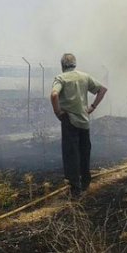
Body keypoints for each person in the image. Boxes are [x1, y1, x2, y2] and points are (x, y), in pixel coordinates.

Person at [51, 53, 107, 196]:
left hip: (69, 121)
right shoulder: (84, 77)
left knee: (71, 154)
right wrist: (92, 107)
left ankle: (75, 189)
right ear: (74, 64)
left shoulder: (61, 78)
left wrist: (58, 112)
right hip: (84, 121)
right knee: (84, 152)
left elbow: (54, 95)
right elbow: (102, 90)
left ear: (62, 65)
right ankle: (86, 184)